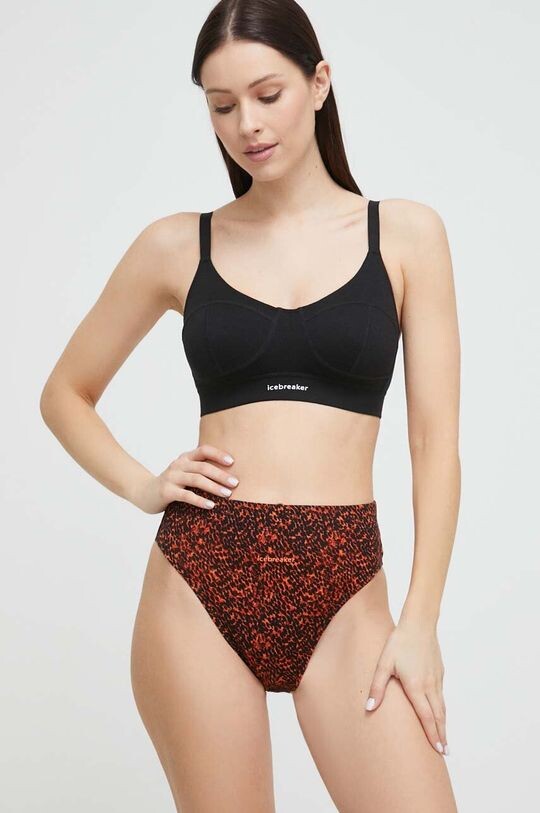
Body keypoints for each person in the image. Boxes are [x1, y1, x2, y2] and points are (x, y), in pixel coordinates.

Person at [39, 1, 461, 810]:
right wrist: (142, 484)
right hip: (199, 581)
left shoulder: (406, 236)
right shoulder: (176, 244)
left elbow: (435, 445)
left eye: (268, 95)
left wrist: (421, 622)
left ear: (319, 83)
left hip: (347, 587)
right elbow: (65, 393)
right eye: (222, 106)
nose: (247, 125)